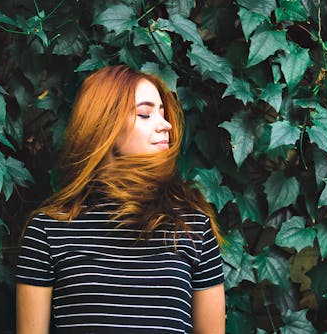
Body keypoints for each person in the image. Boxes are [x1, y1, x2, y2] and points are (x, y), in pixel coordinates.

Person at [16, 65, 225, 334]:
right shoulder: (48, 230)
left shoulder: (192, 225)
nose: (166, 125)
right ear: (105, 125)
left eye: (163, 114)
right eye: (145, 114)